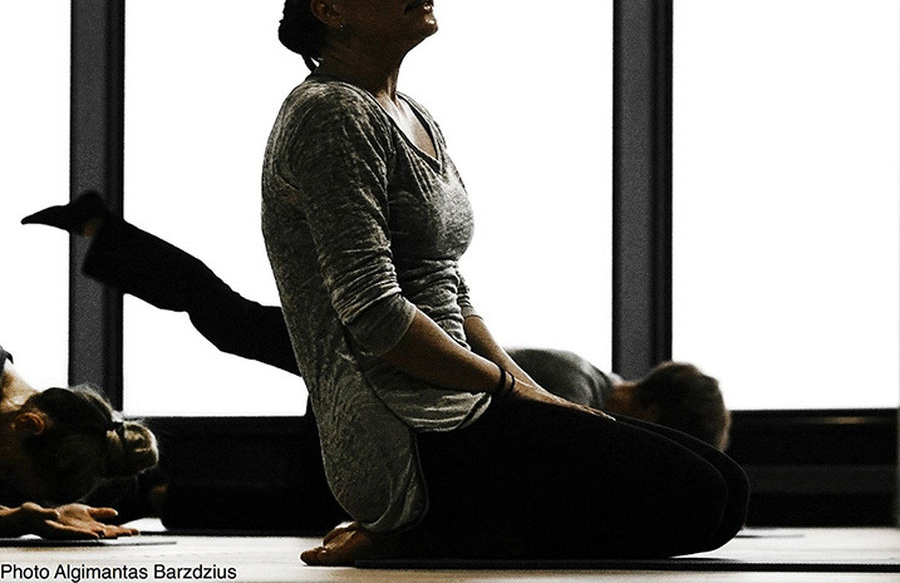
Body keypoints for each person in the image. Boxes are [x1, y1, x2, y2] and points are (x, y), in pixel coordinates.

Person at [257, 0, 749, 564]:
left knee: (723, 481)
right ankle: (421, 531)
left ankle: (452, 531)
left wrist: (535, 395)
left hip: (467, 404)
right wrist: (511, 390)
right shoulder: (331, 114)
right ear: (330, 10)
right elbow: (374, 316)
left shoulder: (413, 115)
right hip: (406, 433)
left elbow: (451, 291)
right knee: (702, 499)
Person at [23, 193, 731, 451]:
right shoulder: (576, 397)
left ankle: (104, 232)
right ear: (661, 415)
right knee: (225, 319)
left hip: (375, 357)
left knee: (227, 319)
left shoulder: (579, 372)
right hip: (375, 363)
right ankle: (103, 231)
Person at [0, 344, 158, 539]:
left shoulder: (12, 432)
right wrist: (10, 520)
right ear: (29, 424)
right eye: (8, 469)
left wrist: (50, 514)